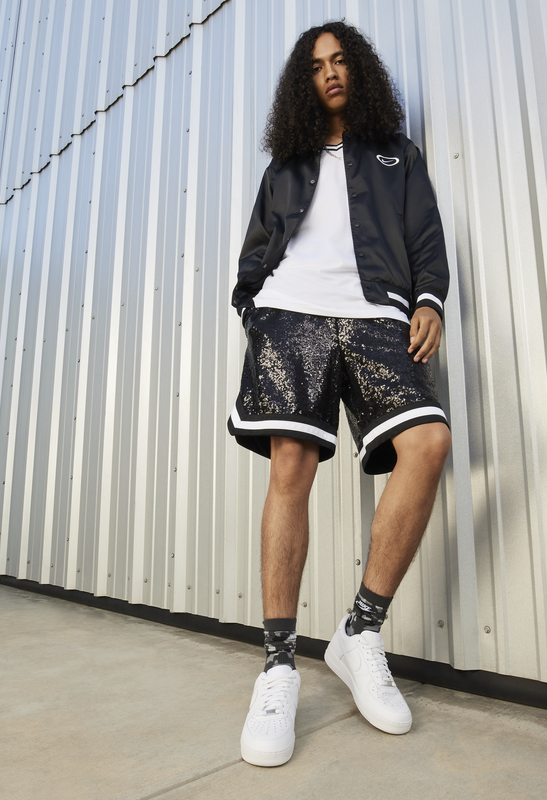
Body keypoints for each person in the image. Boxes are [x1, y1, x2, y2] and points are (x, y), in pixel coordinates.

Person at [228, 20, 451, 767]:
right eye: (317, 65)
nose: (329, 72)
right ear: (305, 82)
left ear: (360, 72)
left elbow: (426, 238)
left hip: (377, 314)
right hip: (290, 313)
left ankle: (359, 632)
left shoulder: (396, 154)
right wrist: (253, 306)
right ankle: (278, 666)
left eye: (340, 60)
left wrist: (429, 300)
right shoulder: (286, 163)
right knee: (291, 465)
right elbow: (257, 246)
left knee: (428, 443)